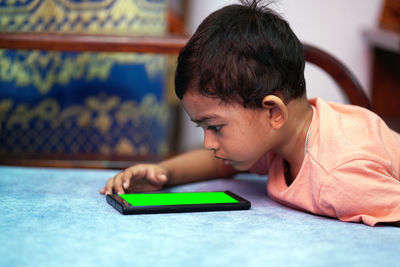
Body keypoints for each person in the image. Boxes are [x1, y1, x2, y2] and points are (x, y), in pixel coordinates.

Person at [100, 0, 400, 226]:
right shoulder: (280, 138)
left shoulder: (340, 179)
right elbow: (221, 165)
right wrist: (163, 175)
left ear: (273, 111)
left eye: (215, 127)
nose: (208, 143)